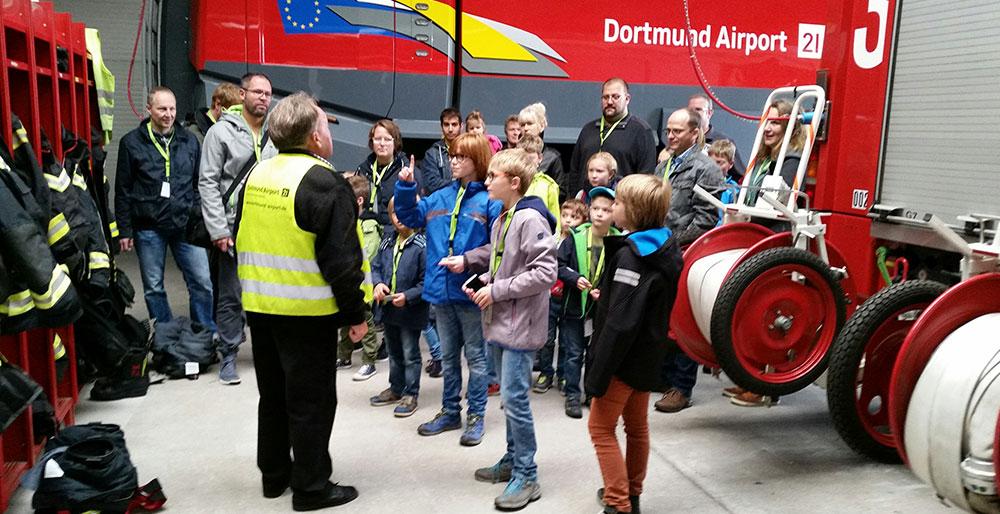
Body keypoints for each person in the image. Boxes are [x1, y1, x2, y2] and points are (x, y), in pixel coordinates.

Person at [234, 92, 367, 511]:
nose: (329, 132)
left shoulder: (257, 174)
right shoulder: (326, 183)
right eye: (326, 125)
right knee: (311, 403)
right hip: (307, 314)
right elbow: (342, 263)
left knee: (272, 397)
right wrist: (355, 316)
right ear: (313, 137)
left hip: (260, 308)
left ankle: (274, 477)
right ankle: (311, 488)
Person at [444, 149, 556, 511]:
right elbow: (500, 254)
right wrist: (473, 268)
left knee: (516, 399)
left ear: (514, 183)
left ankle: (527, 474)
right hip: (501, 322)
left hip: (520, 327)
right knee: (509, 399)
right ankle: (512, 460)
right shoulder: (504, 218)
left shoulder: (530, 220)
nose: (487, 180)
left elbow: (544, 273)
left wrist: (496, 290)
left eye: (493, 176)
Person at [394, 133, 502, 446]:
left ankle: (476, 416)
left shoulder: (489, 201)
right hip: (441, 293)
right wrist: (405, 186)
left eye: (461, 156)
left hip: (470, 293)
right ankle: (450, 411)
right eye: (452, 155)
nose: (453, 161)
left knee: (477, 359)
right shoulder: (440, 197)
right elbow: (410, 217)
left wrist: (467, 259)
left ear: (478, 160)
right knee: (450, 358)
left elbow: (498, 246)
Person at [585, 174, 682, 514]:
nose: (613, 207)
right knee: (637, 426)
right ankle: (633, 493)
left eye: (619, 203)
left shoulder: (632, 258)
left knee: (600, 428)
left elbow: (620, 324)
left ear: (636, 212)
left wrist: (598, 372)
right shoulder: (666, 247)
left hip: (623, 361)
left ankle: (618, 503)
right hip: (648, 356)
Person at [725, 99, 805, 408]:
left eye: (776, 123)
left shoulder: (790, 160)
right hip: (758, 236)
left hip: (774, 240)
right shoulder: (763, 160)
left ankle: (764, 385)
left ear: (790, 127)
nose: (769, 127)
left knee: (768, 313)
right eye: (767, 122)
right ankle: (753, 380)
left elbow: (776, 205)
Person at [115, 86, 215, 332]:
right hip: (148, 228)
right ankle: (166, 335)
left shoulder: (190, 141)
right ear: (149, 109)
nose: (168, 114)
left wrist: (198, 214)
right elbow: (123, 189)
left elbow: (198, 184)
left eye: (172, 108)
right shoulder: (131, 143)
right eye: (162, 109)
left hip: (185, 224)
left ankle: (204, 334)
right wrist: (125, 231)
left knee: (202, 282)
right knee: (153, 287)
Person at [199, 72, 278, 385]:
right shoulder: (220, 133)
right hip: (233, 227)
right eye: (257, 92)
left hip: (269, 228)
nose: (263, 98)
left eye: (268, 93)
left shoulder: (275, 132)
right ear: (242, 94)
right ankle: (229, 353)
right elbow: (207, 182)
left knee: (268, 294)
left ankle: (266, 352)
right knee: (231, 294)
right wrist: (218, 230)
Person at [651, 107, 724, 413]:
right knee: (662, 316)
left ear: (695, 133)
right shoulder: (664, 166)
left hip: (684, 253)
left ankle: (682, 387)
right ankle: (664, 376)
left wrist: (670, 241)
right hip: (660, 251)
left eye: (677, 131)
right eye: (668, 130)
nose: (670, 136)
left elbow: (707, 219)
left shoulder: (705, 169)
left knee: (683, 320)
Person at [557, 186, 620, 418]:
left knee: (595, 354)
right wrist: (576, 279)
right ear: (589, 210)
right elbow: (558, 266)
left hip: (601, 311)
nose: (600, 214)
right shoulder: (575, 237)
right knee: (574, 353)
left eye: (606, 209)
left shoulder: (619, 241)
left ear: (614, 213)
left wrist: (604, 290)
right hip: (574, 307)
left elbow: (620, 274)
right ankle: (572, 394)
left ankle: (592, 393)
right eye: (595, 208)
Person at [369, 197, 428, 417]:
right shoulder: (386, 241)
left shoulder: (422, 246)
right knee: (393, 351)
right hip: (388, 309)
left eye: (405, 212)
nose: (399, 218)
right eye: (395, 213)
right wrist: (377, 284)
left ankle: (411, 393)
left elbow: (426, 282)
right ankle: (396, 387)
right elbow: (375, 267)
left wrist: (409, 296)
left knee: (410, 353)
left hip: (410, 311)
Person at [569, 78, 656, 198]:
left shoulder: (641, 131)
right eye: (605, 97)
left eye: (615, 97)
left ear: (627, 99)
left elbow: (645, 177)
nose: (609, 102)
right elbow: (574, 172)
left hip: (620, 206)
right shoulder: (588, 130)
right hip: (585, 206)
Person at [535, 198, 588, 394]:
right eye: (564, 216)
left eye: (574, 217)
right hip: (548, 298)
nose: (567, 221)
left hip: (568, 299)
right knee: (547, 339)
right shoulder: (552, 240)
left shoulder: (579, 243)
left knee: (566, 341)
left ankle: (563, 374)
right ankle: (546, 372)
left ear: (583, 220)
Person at [336, 175, 380, 380]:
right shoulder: (348, 221)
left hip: (362, 287)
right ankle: (343, 356)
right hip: (350, 285)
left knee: (367, 325)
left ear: (359, 201)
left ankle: (369, 360)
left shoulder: (358, 225)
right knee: (346, 322)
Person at [355, 119, 407, 233]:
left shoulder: (405, 171)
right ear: (371, 142)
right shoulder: (363, 170)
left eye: (387, 139)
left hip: (392, 233)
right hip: (366, 231)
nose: (382, 143)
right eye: (378, 139)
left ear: (395, 143)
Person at [688, 93, 746, 180]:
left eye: (698, 109)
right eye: (690, 110)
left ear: (709, 113)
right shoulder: (683, 140)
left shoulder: (724, 141)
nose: (693, 114)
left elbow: (740, 177)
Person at [518, 103, 566, 201]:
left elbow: (562, 191)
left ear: (542, 126)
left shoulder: (553, 157)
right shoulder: (512, 155)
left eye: (530, 124)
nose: (526, 128)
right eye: (522, 125)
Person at [517, 134, 561, 234]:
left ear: (540, 158)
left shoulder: (549, 185)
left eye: (531, 158)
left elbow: (555, 218)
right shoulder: (511, 183)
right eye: (522, 158)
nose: (526, 163)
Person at [416, 107, 463, 195]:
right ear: (441, 126)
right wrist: (460, 184)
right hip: (440, 202)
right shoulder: (432, 154)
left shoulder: (468, 151)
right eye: (446, 124)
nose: (450, 129)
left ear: (461, 126)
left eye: (454, 124)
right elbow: (431, 185)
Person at [707, 140, 740, 209]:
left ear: (731, 164)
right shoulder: (699, 182)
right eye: (710, 161)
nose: (714, 166)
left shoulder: (734, 190)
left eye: (719, 162)